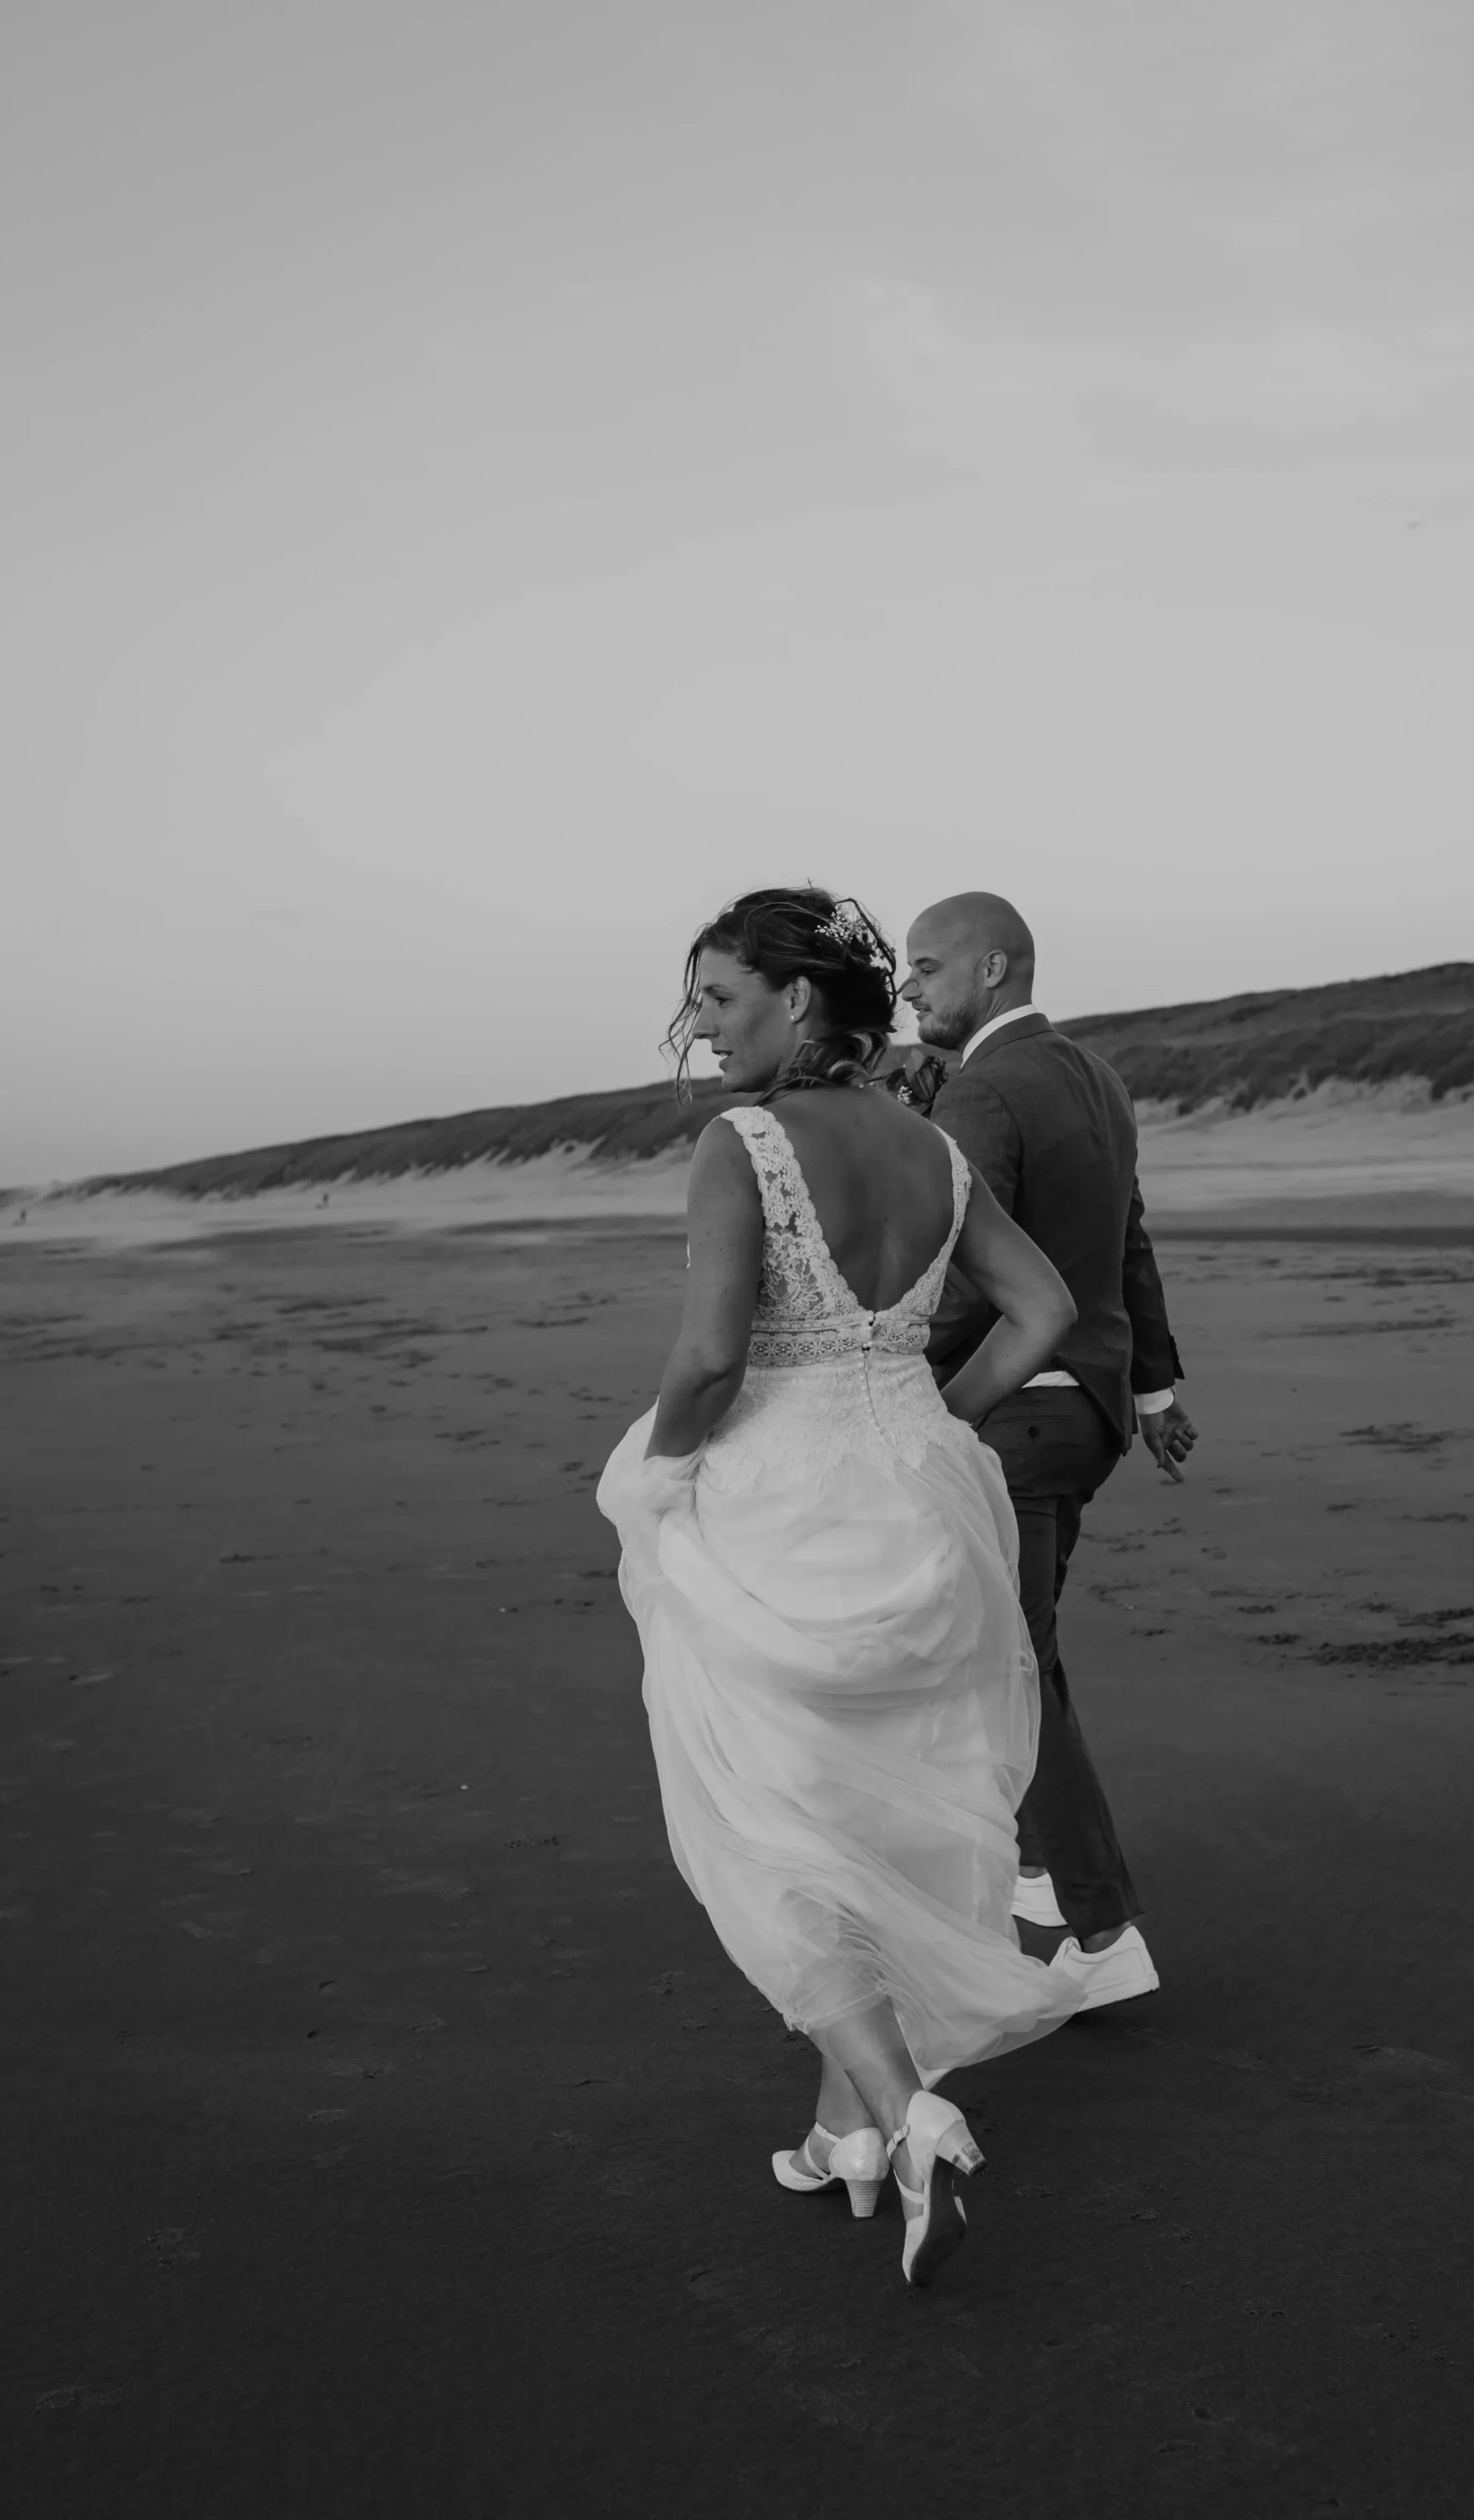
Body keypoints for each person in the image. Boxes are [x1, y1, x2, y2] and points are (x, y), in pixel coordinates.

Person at [597, 886, 1087, 2291]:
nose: (697, 1031)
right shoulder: (932, 1145)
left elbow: (702, 1363)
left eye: (719, 1000)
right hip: (914, 1499)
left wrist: (658, 1481)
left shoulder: (740, 1145)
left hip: (777, 1503)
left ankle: (906, 2105)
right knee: (880, 1816)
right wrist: (934, 1409)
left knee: (773, 1818)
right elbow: (1043, 1307)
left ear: (797, 1002)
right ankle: (846, 2140)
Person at [899, 893, 1197, 2010]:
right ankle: (1033, 1867)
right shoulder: (1098, 1078)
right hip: (1092, 1414)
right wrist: (1157, 1386)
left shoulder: (983, 1089)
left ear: (995, 965)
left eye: (928, 969)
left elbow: (967, 1270)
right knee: (1028, 1652)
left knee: (1013, 1669)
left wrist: (899, 1377)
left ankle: (1102, 1928)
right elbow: (1129, 1241)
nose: (913, 989)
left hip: (1020, 1411)